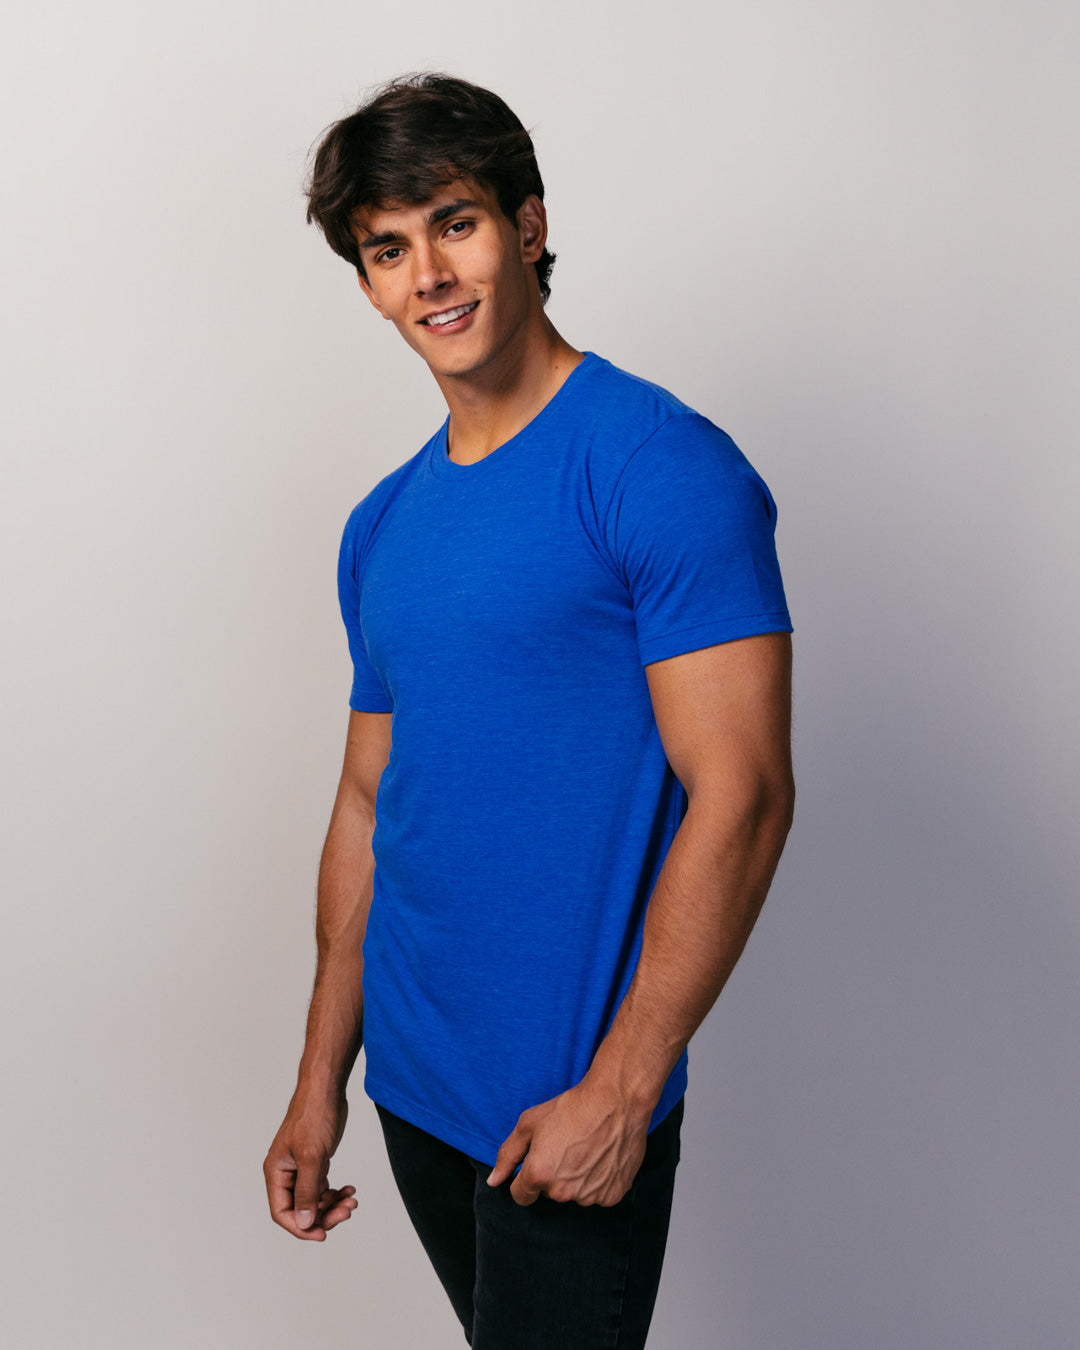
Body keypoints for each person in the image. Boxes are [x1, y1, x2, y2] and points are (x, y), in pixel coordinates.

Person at [263, 72, 795, 1349]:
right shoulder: (383, 525)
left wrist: (625, 1088)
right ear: (367, 285)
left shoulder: (659, 465)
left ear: (529, 224)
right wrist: (319, 1081)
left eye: (456, 223)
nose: (430, 276)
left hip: (565, 1113)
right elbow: (367, 803)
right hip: (414, 1089)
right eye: (389, 249)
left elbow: (745, 793)